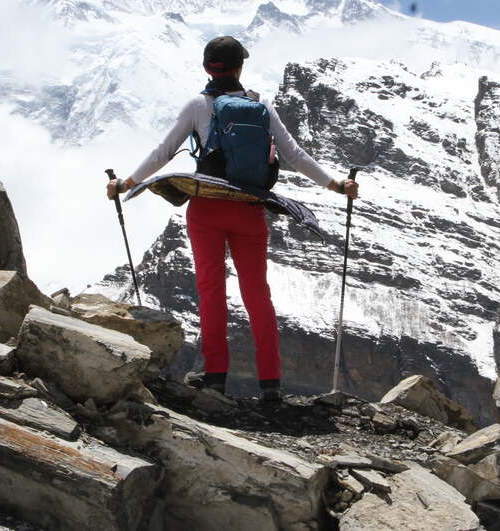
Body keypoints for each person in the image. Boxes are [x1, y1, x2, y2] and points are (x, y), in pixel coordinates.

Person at [106, 36, 359, 403]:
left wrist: (125, 184)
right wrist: (337, 185)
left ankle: (214, 377)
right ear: (240, 67)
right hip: (249, 209)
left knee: (211, 291)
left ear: (207, 68)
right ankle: (270, 383)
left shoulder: (198, 105)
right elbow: (294, 154)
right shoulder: (260, 106)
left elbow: (163, 152)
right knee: (257, 294)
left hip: (206, 208)